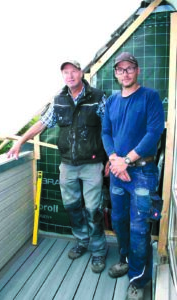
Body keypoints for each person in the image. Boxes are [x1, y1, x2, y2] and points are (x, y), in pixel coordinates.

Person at [7, 60, 107, 273]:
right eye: (65, 72)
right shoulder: (59, 100)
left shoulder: (98, 97)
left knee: (93, 209)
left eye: (73, 71)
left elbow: (110, 127)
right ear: (63, 76)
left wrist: (113, 157)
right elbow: (42, 123)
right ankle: (81, 241)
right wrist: (19, 142)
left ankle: (98, 251)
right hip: (68, 165)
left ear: (81, 73)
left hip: (92, 164)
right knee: (72, 207)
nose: (70, 76)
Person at [102, 52, 164, 300]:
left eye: (129, 68)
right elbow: (106, 132)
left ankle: (139, 278)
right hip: (118, 173)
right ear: (116, 74)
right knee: (118, 221)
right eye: (120, 69)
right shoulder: (112, 101)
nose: (125, 73)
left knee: (139, 228)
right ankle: (126, 260)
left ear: (137, 71)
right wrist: (115, 159)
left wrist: (126, 160)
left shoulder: (150, 97)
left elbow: (154, 132)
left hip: (142, 173)